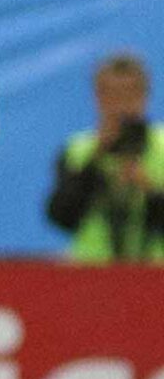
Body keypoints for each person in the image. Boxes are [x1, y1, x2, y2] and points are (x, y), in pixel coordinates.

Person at [47, 54, 164, 263]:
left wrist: (148, 189)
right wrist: (95, 160)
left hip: (155, 275)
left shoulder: (161, 147)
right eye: (111, 94)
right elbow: (61, 217)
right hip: (92, 272)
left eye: (129, 93)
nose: (120, 104)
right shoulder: (78, 151)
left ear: (145, 95)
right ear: (97, 96)